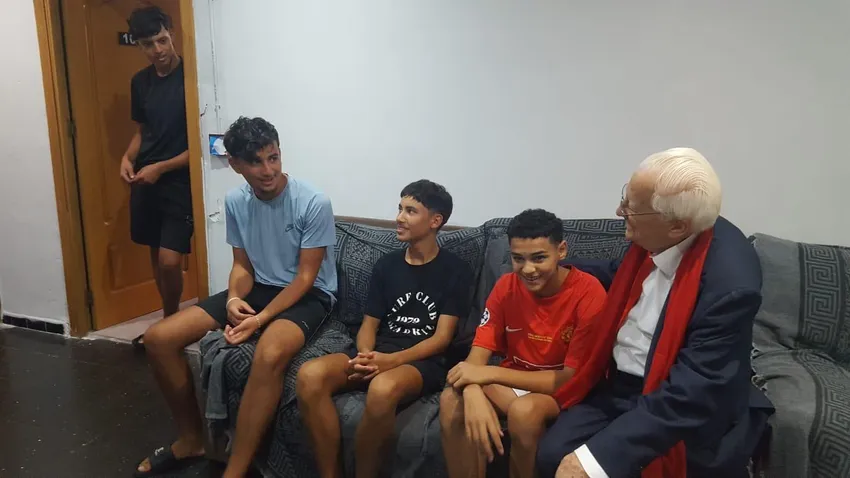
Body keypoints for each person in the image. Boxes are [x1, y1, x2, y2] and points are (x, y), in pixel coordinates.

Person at [536, 148, 774, 478]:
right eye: (626, 197)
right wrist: (556, 271)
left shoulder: (731, 285)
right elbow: (618, 273)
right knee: (551, 455)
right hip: (617, 386)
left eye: (631, 207)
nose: (619, 211)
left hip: (678, 400)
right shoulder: (660, 233)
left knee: (594, 467)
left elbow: (693, 389)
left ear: (676, 227)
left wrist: (593, 461)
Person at [135, 116, 338, 477]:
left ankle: (236, 469)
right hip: (260, 287)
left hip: (310, 294)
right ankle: (191, 439)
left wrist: (260, 320)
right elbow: (242, 265)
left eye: (273, 158)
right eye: (256, 162)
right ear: (235, 164)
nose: (268, 170)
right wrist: (231, 299)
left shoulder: (313, 202)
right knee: (158, 338)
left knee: (269, 352)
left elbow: (306, 278)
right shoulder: (235, 201)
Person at [296, 180, 474, 478]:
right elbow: (369, 325)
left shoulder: (455, 270)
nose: (399, 218)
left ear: (435, 221)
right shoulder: (387, 265)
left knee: (383, 388)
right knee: (309, 375)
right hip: (379, 351)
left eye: (410, 211)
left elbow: (442, 339)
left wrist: (390, 362)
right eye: (400, 208)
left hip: (423, 360)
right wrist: (367, 356)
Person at [439, 209, 608, 478]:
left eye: (539, 258)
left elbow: (569, 379)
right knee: (451, 399)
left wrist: (487, 374)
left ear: (561, 251)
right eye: (518, 259)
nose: (528, 269)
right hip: (515, 380)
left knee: (524, 412)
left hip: (564, 391)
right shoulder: (506, 286)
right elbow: (475, 361)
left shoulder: (589, 292)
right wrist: (472, 390)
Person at [119, 6, 193, 348]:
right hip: (145, 182)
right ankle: (168, 323)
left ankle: (171, 323)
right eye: (148, 44)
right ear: (139, 45)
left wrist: (161, 168)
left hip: (179, 181)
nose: (157, 50)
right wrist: (127, 158)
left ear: (171, 33)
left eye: (162, 40)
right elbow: (142, 131)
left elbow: (202, 145)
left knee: (170, 259)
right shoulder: (140, 82)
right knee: (155, 256)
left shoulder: (191, 78)